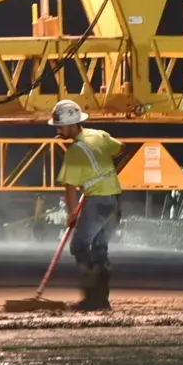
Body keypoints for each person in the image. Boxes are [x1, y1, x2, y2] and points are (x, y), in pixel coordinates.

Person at [48, 99, 125, 311]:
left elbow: (70, 188)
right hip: (116, 199)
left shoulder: (74, 152)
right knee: (100, 249)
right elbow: (121, 148)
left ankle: (92, 299)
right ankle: (101, 301)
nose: (58, 129)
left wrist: (72, 215)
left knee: (79, 246)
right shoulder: (99, 135)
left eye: (60, 126)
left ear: (73, 124)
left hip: (98, 201)